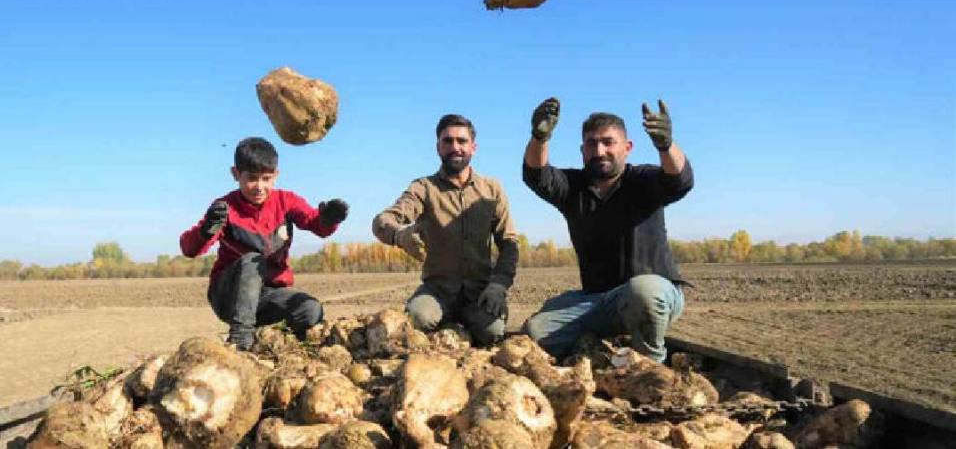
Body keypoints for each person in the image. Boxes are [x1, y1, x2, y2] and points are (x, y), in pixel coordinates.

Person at [522, 98, 693, 362]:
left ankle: (650, 366)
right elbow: (536, 175)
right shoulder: (572, 187)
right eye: (591, 143)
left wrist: (666, 145)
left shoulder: (643, 180)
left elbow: (679, 180)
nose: (599, 150)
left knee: (644, 292)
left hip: (652, 294)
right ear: (582, 150)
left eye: (608, 142)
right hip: (598, 300)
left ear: (627, 148)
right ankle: (603, 354)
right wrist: (539, 137)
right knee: (536, 332)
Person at [180, 137, 348, 351]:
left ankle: (271, 344)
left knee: (310, 310)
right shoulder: (225, 208)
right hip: (228, 295)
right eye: (252, 178)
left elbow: (316, 224)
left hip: (267, 295)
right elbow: (189, 249)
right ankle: (241, 341)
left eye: (266, 179)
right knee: (253, 260)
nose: (259, 187)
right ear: (236, 174)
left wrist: (328, 219)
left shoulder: (287, 201)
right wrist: (206, 230)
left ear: (276, 176)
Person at [372, 114, 519, 346]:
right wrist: (399, 235)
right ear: (438, 147)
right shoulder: (423, 188)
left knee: (493, 331)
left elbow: (509, 243)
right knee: (418, 317)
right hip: (437, 291)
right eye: (447, 141)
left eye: (462, 141)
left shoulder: (492, 190)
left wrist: (499, 285)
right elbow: (382, 220)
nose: (455, 147)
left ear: (474, 147)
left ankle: (461, 326)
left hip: (479, 293)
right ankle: (446, 327)